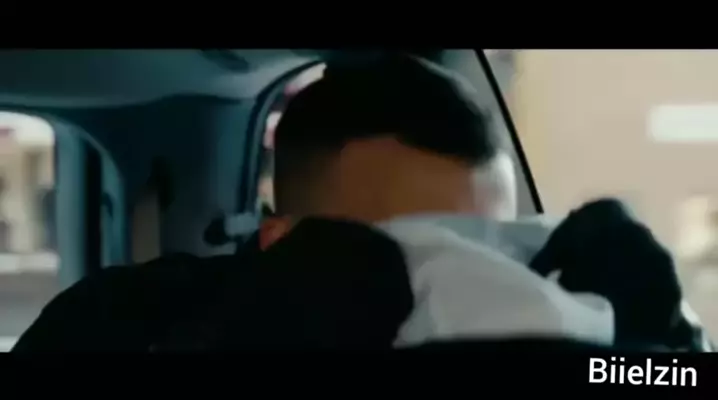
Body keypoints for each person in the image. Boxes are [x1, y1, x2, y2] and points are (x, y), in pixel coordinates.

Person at [11, 53, 706, 352]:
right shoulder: (118, 323)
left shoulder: (525, 332)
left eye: (492, 248)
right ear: (282, 243)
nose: (468, 278)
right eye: (417, 247)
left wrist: (662, 349)